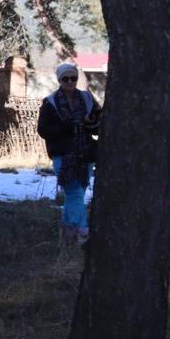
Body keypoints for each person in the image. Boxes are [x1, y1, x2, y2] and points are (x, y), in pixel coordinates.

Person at [37, 63, 102, 245]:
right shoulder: (50, 103)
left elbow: (99, 125)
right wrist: (68, 127)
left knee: (77, 193)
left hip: (85, 153)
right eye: (65, 79)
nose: (70, 82)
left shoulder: (87, 99)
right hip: (63, 154)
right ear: (59, 80)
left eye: (73, 78)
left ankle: (66, 236)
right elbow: (43, 130)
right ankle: (82, 231)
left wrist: (89, 123)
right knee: (74, 192)